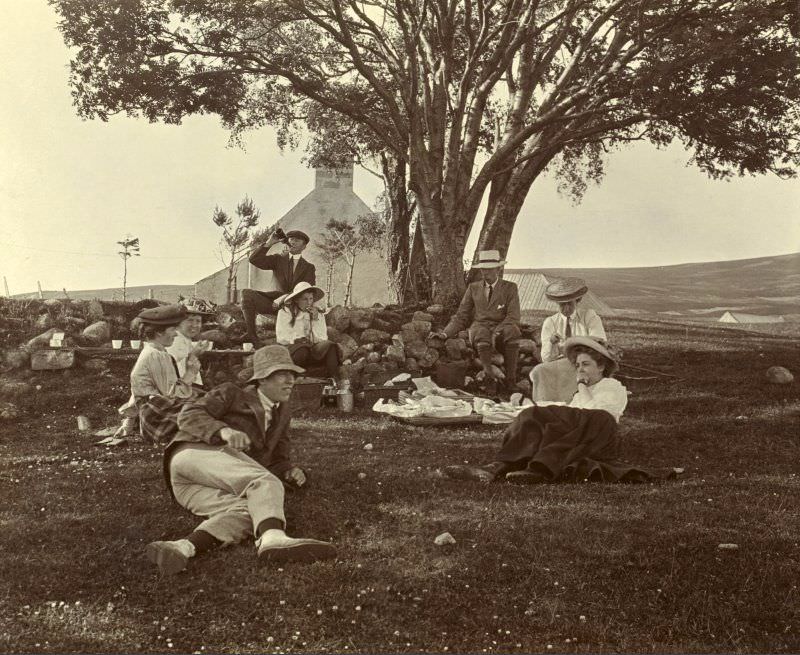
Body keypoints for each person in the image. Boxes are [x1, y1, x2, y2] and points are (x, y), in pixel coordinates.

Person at [145, 345, 336, 576]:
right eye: (282, 374)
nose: (290, 381)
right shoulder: (232, 393)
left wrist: (289, 470)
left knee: (251, 510)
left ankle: (184, 547)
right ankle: (273, 538)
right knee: (265, 483)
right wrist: (223, 431)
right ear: (262, 380)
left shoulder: (284, 411)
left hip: (195, 486)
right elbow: (188, 415)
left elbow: (278, 458)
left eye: (293, 375)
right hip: (193, 456)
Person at [444, 336, 657, 484]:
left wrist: (581, 386)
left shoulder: (613, 387)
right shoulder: (579, 393)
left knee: (588, 417)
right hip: (579, 430)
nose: (580, 370)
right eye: (578, 365)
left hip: (599, 434)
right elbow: (568, 411)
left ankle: (539, 469)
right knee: (531, 416)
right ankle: (497, 467)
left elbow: (597, 412)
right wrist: (530, 405)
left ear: (601, 366)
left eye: (586, 364)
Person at [431, 250, 521, 391]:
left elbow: (513, 316)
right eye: (483, 270)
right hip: (481, 328)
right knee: (481, 333)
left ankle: (511, 380)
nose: (486, 273)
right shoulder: (473, 288)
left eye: (490, 270)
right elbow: (462, 315)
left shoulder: (510, 288)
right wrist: (444, 334)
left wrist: (497, 331)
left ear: (498, 268)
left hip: (502, 328)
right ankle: (489, 378)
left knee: (513, 330)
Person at [117, 305, 202, 441]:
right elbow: (172, 395)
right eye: (173, 329)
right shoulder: (157, 355)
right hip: (159, 419)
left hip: (154, 415)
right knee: (213, 407)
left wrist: (129, 423)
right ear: (159, 332)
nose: (175, 334)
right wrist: (191, 373)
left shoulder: (152, 351)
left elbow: (139, 391)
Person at [530, 277, 607, 403]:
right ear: (557, 304)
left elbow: (600, 342)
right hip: (559, 364)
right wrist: (552, 344)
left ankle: (570, 405)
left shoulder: (589, 316)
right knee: (539, 370)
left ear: (578, 300)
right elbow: (546, 358)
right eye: (562, 305)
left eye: (569, 304)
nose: (566, 308)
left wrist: (572, 344)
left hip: (584, 361)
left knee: (576, 369)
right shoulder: (550, 322)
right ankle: (544, 406)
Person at [241, 229, 316, 345]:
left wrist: (284, 297)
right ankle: (251, 335)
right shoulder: (278, 259)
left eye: (297, 240)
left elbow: (307, 291)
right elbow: (254, 260)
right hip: (273, 304)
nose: (293, 242)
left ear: (304, 246)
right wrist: (269, 243)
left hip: (291, 306)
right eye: (291, 239)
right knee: (246, 293)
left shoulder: (309, 267)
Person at [274, 282, 341, 380]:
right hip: (294, 349)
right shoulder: (285, 312)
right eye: (305, 299)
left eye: (311, 299)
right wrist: (297, 339)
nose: (309, 303)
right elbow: (282, 336)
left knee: (330, 346)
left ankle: (334, 381)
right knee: (302, 349)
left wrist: (315, 320)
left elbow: (322, 338)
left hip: (312, 349)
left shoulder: (318, 314)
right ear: (296, 299)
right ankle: (296, 380)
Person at [166, 299, 214, 387]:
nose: (195, 325)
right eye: (190, 320)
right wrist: (194, 355)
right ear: (178, 322)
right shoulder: (174, 341)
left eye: (198, 321)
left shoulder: (185, 339)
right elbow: (175, 382)